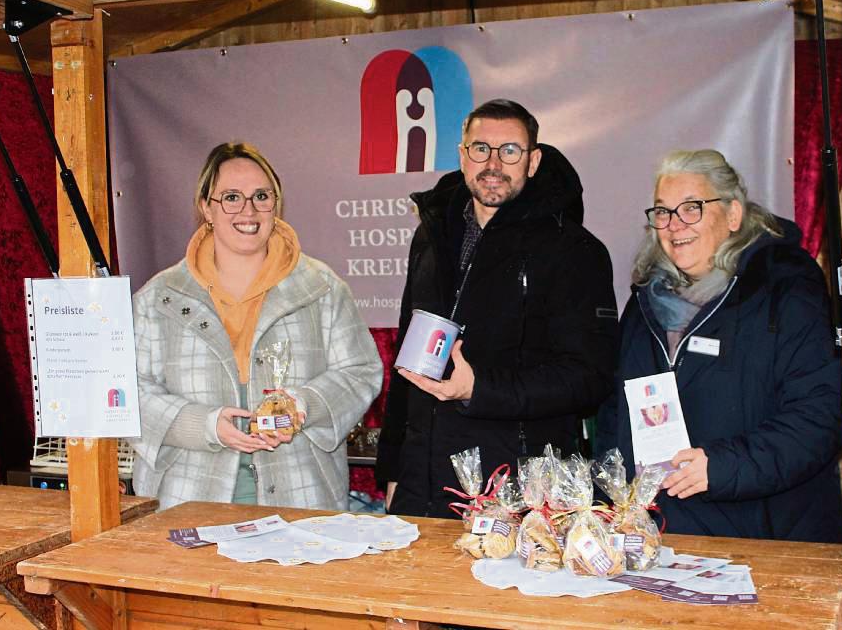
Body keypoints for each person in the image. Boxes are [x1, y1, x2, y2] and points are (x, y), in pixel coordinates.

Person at [375, 99, 618, 518]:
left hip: (518, 494)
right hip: (423, 486)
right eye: (480, 148)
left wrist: (480, 388)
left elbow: (589, 378)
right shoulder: (431, 236)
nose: (493, 163)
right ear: (462, 155)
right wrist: (395, 470)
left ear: (533, 160)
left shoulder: (575, 251)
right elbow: (406, 366)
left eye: (510, 151)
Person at [597, 149, 842, 543]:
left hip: (764, 538)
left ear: (733, 215)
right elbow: (615, 411)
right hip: (662, 536)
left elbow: (818, 417)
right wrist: (613, 493)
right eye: (663, 212)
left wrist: (723, 467)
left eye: (691, 208)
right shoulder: (645, 302)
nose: (675, 225)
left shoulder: (785, 289)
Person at [131, 142, 382, 510]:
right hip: (186, 501)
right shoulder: (160, 297)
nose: (248, 211)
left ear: (275, 205)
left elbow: (360, 372)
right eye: (231, 197)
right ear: (206, 208)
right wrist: (204, 425)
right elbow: (128, 392)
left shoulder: (322, 288)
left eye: (261, 196)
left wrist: (303, 406)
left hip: (303, 501)